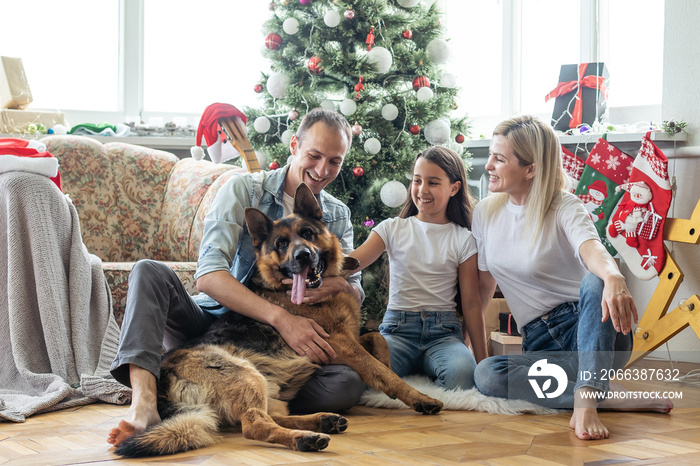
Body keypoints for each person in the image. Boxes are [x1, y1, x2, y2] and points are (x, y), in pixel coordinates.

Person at [107, 108, 365, 447]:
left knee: (345, 384)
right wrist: (283, 318)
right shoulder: (245, 189)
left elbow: (354, 289)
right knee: (147, 271)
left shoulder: (336, 213)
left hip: (269, 349)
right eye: (314, 156)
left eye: (335, 162)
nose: (322, 170)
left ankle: (237, 401)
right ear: (294, 146)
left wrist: (339, 283)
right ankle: (144, 401)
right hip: (212, 319)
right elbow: (210, 276)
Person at [471, 115, 673, 441]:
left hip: (592, 327)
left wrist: (614, 277)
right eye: (491, 156)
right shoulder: (485, 212)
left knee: (596, 281)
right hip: (540, 342)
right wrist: (473, 345)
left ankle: (587, 400)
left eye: (499, 158)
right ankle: (605, 395)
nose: (489, 166)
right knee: (488, 375)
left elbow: (593, 250)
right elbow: (484, 286)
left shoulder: (565, 205)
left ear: (531, 168)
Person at [349, 146, 487, 390]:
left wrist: (482, 361)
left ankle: (427, 369)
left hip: (443, 334)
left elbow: (472, 304)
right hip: (397, 332)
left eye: (433, 182)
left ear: (454, 188)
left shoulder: (463, 238)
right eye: (417, 180)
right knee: (363, 375)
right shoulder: (392, 229)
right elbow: (352, 263)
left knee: (463, 377)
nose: (422, 190)